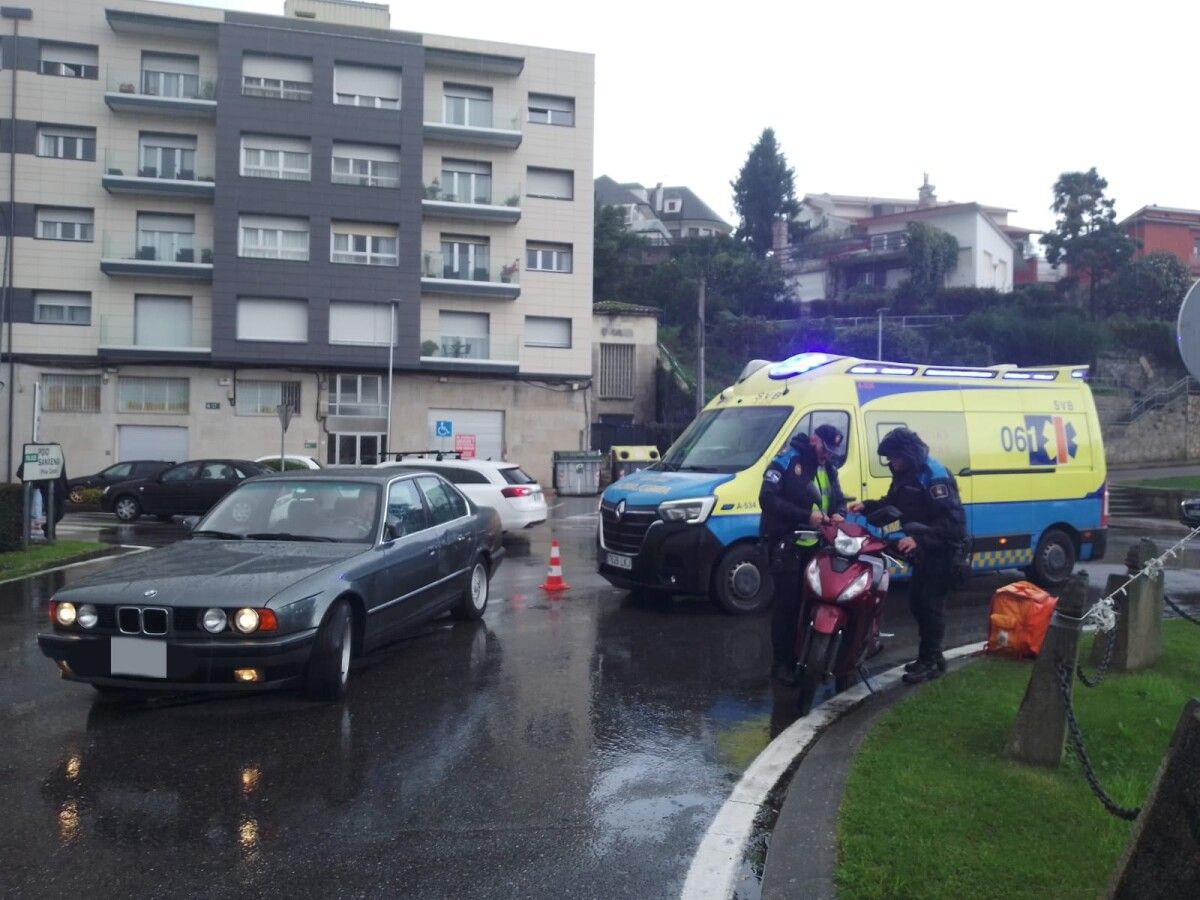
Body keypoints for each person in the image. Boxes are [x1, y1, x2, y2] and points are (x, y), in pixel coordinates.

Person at [848, 427, 967, 684]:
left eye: (893, 456)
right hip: (925, 553)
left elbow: (954, 524)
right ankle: (929, 657)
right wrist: (866, 507)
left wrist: (919, 539)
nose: (891, 462)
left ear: (907, 453)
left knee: (930, 606)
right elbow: (894, 506)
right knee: (918, 603)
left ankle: (931, 661)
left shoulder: (933, 476)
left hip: (942, 552)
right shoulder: (906, 474)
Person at [759, 427, 847, 684]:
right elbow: (768, 499)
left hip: (817, 546)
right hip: (787, 544)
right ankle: (781, 665)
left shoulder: (829, 469)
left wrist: (840, 512)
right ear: (814, 440)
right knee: (788, 606)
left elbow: (837, 499)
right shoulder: (787, 460)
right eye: (825, 449)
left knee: (815, 603)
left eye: (833, 453)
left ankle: (809, 657)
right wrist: (805, 515)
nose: (827, 456)